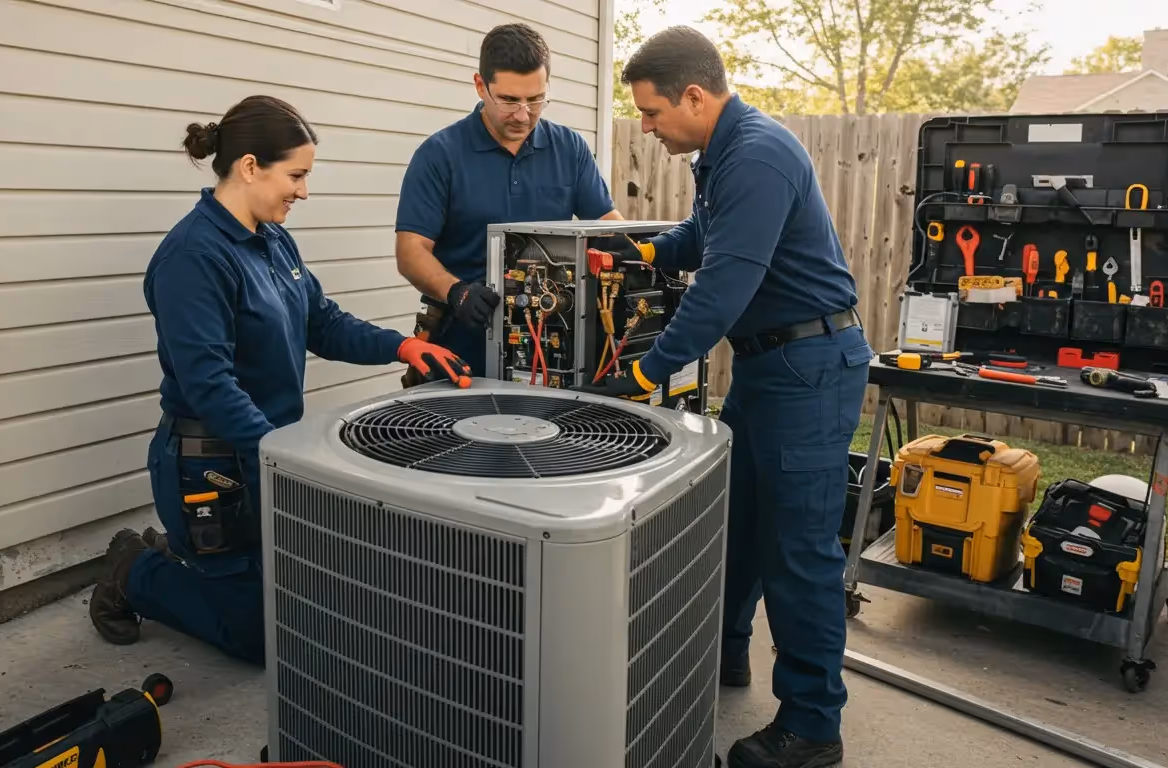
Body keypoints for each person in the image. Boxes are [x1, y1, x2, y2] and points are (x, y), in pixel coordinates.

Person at [87, 95, 472, 664]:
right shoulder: (193, 258)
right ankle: (133, 571)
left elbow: (323, 322)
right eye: (296, 175)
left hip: (267, 453)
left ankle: (184, 560)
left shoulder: (271, 239)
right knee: (263, 638)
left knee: (314, 603)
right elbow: (210, 386)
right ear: (249, 167)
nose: (304, 191)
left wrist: (403, 345)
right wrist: (284, 452)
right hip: (211, 463)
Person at [580, 26, 870, 768]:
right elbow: (702, 239)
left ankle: (811, 728)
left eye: (649, 113)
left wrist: (645, 375)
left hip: (808, 371)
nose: (645, 126)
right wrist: (641, 251)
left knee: (797, 552)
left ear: (695, 96)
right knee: (735, 520)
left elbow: (722, 288)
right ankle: (727, 653)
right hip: (771, 369)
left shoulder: (759, 156)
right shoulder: (726, 155)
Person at [394, 22, 623, 380]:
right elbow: (410, 252)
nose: (523, 114)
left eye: (536, 100)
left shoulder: (570, 149)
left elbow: (609, 226)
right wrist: (457, 292)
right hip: (462, 341)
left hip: (551, 346)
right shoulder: (439, 155)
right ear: (480, 86)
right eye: (510, 100)